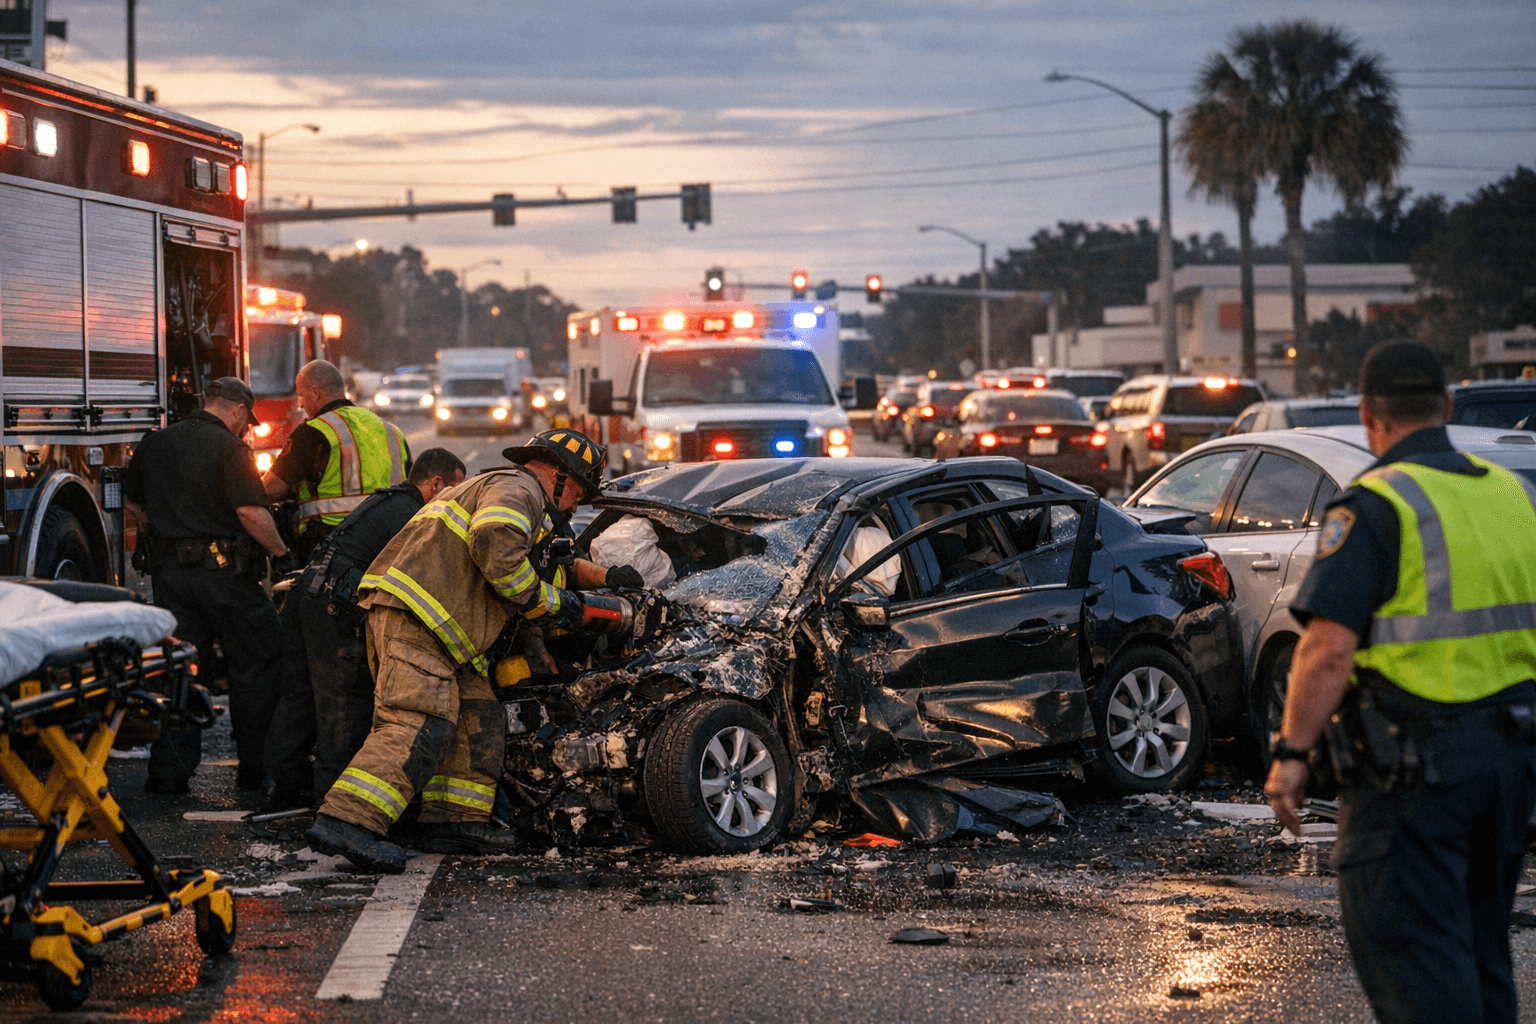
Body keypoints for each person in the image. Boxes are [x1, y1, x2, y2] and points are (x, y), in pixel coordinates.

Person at [1265, 341, 1536, 1024]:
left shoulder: (1377, 505)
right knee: (1480, 955)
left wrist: (1292, 756)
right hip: (1507, 767)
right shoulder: (1510, 493)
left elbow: (1326, 650)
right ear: (1446, 405)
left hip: (1414, 779)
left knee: (1418, 967)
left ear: (1367, 414)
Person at [307, 429, 646, 872]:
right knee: (417, 719)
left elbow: (552, 569)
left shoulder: (522, 503)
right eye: (578, 490)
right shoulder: (517, 487)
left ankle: (453, 821)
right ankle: (348, 821)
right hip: (418, 618)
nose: (575, 506)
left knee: (478, 717)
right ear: (557, 475)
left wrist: (607, 579)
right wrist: (553, 605)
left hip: (446, 636)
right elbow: (497, 549)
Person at [260, 448, 467, 814]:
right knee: (344, 710)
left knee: (300, 699)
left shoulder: (387, 502)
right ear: (436, 484)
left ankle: (281, 794)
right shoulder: (413, 516)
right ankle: (332, 812)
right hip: (333, 608)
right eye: (456, 490)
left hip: (306, 596)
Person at [122, 377, 291, 795]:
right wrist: (281, 553)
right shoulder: (229, 449)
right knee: (256, 664)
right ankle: (257, 771)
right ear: (236, 410)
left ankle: (169, 773)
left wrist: (168, 527)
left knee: (180, 668)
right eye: (245, 421)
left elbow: (131, 501)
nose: (245, 428)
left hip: (171, 577)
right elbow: (251, 512)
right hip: (226, 578)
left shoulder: (155, 443)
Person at [261, 359, 410, 559]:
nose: (302, 404)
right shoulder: (391, 431)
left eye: (302, 395)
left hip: (333, 548)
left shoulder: (312, 433)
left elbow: (271, 488)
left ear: (315, 392)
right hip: (391, 545)